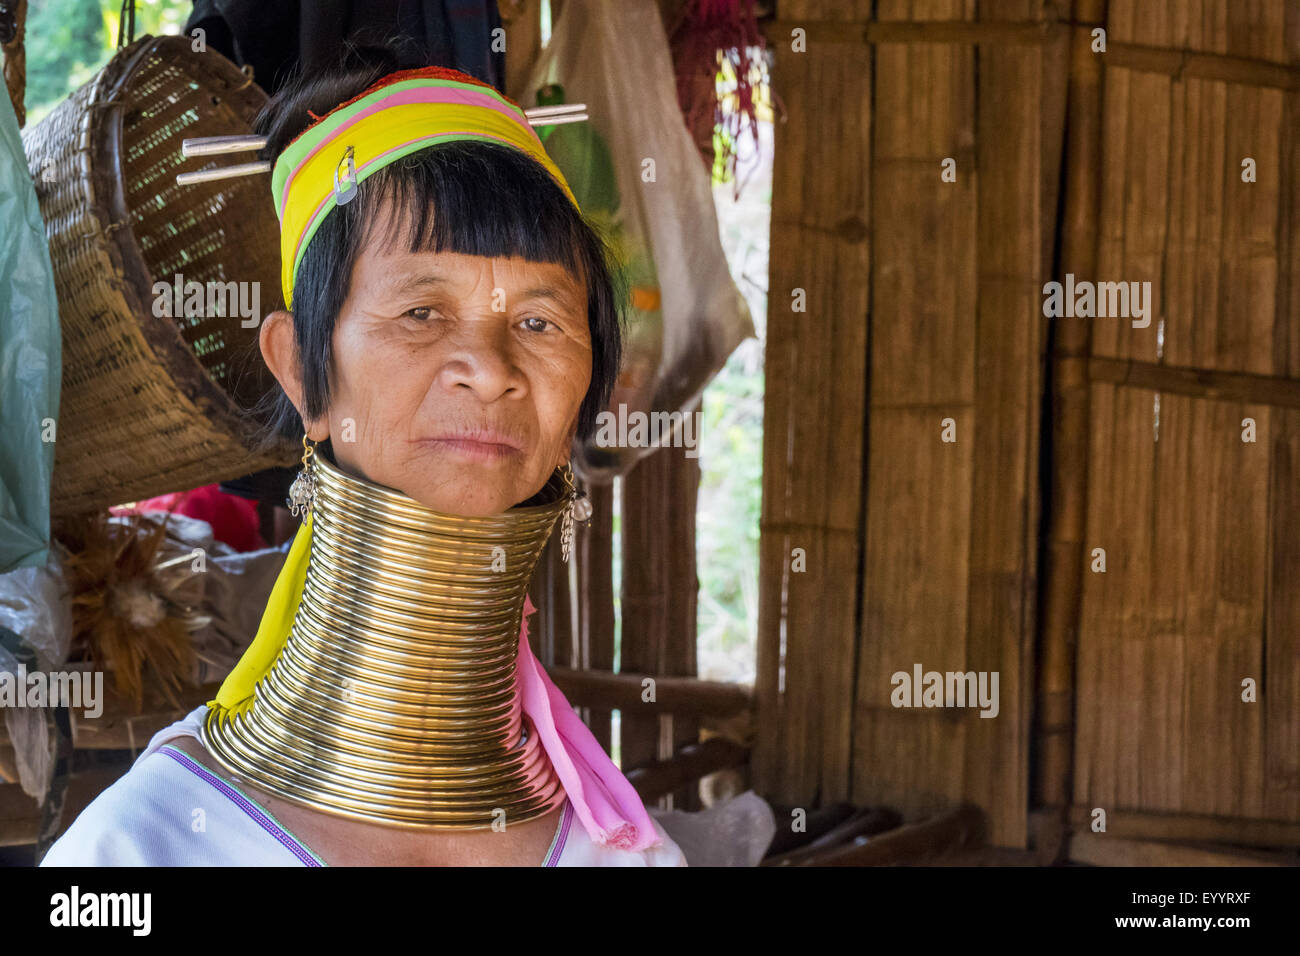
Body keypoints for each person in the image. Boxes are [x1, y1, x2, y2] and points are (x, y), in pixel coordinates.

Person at [41, 59, 686, 867]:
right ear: (304, 373)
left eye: (539, 322)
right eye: (421, 311)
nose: (489, 368)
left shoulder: (622, 854)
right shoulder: (143, 850)